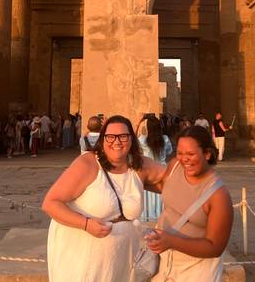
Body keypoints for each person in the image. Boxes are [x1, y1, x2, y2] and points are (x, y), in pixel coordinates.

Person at [42, 115, 166, 282]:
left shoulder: (139, 166)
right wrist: (86, 224)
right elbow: (50, 203)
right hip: (83, 260)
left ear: (131, 139)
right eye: (110, 136)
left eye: (123, 136)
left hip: (121, 261)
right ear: (102, 139)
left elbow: (174, 178)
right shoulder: (87, 164)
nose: (117, 141)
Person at [146, 125, 233, 282]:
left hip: (197, 271)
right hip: (165, 264)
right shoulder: (175, 166)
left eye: (191, 154)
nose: (184, 159)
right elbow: (166, 187)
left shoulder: (219, 196)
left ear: (207, 154)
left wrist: (171, 241)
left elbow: (215, 247)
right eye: (180, 153)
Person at [137, 115, 173, 221]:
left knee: (148, 192)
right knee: (160, 191)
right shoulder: (165, 139)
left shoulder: (142, 140)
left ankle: (149, 214)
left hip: (148, 169)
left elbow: (134, 141)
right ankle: (159, 213)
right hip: (162, 169)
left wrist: (139, 124)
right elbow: (170, 152)